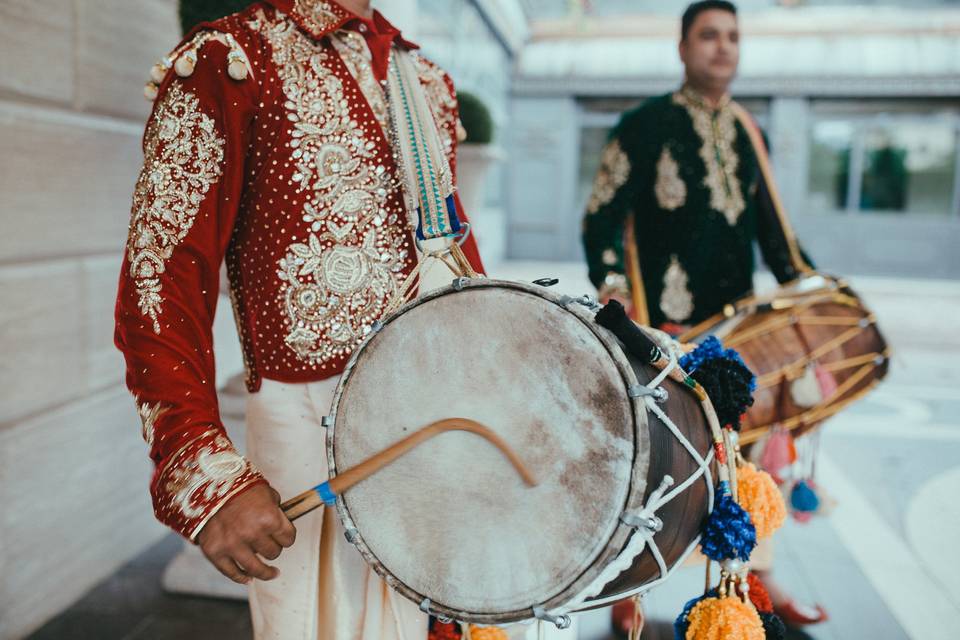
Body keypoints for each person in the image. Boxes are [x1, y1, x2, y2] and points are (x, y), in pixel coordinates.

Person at [114, 1, 484, 638]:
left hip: (438, 427)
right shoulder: (228, 58)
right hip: (311, 434)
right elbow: (160, 278)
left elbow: (455, 257)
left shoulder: (424, 78)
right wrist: (205, 474)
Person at [581, 0, 825, 633]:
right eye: (709, 36)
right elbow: (601, 215)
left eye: (732, 37)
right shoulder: (642, 126)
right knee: (648, 460)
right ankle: (623, 588)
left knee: (741, 460)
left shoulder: (749, 130)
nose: (723, 47)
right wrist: (614, 291)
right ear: (683, 48)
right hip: (661, 330)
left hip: (735, 334)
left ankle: (754, 583)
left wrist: (813, 296)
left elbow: (775, 234)